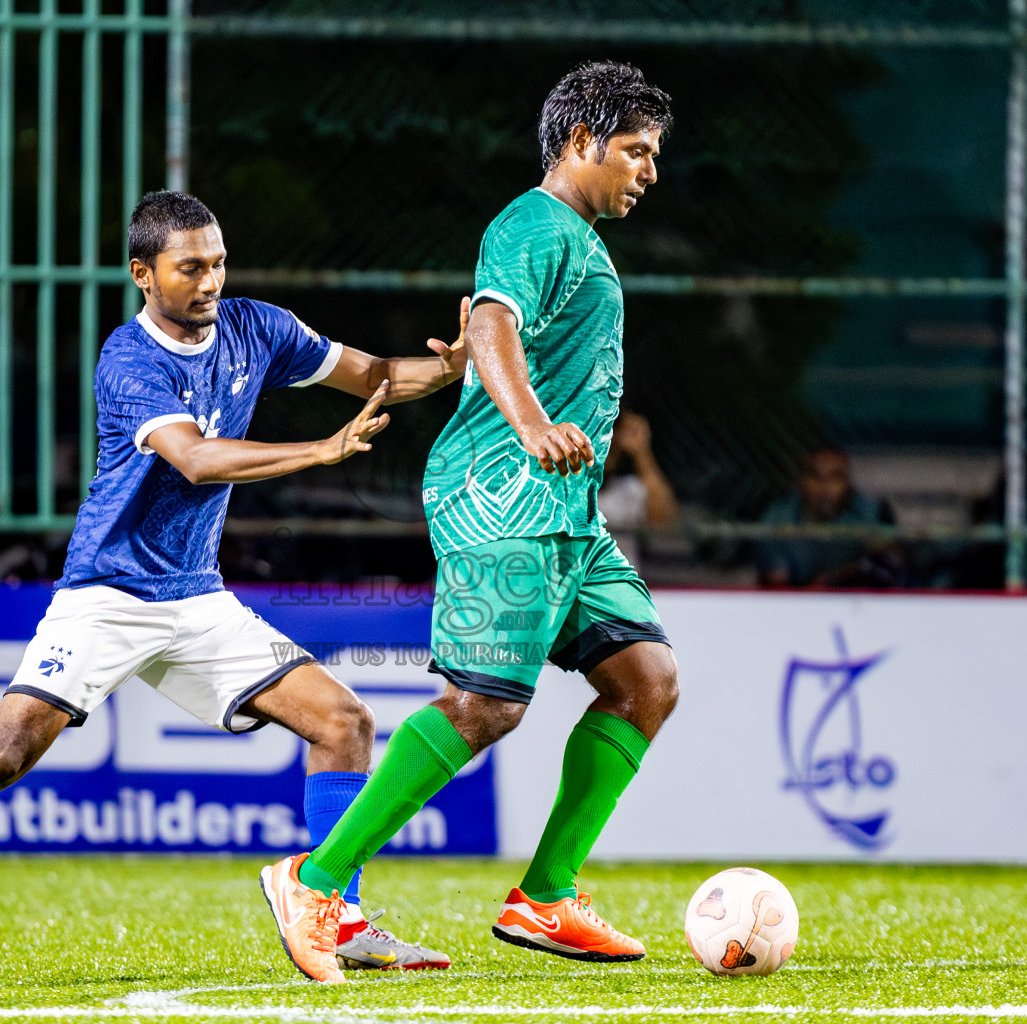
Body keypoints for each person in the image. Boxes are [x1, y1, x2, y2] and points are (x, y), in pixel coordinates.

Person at [0, 190, 469, 977]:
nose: (210, 280)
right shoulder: (127, 361)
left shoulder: (254, 328)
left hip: (197, 597)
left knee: (344, 723)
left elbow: (376, 374)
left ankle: (335, 913)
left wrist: (460, 365)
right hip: (108, 594)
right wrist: (318, 451)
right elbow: (197, 458)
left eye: (219, 263)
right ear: (144, 273)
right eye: (191, 267)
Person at [259, 61, 678, 984]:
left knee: (646, 680)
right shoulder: (533, 223)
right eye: (635, 152)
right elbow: (491, 324)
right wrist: (530, 425)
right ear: (580, 143)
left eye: (653, 155)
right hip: (504, 497)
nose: (648, 172)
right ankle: (316, 878)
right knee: (490, 704)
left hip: (567, 515)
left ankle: (546, 896)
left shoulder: (577, 238)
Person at [757, 445, 894, 588]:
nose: (825, 487)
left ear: (848, 482)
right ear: (801, 481)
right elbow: (775, 585)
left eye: (835, 477)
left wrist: (832, 580)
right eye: (815, 476)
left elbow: (888, 564)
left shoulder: (871, 510)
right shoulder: (779, 516)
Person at [597, 409, 678, 570]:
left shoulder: (628, 489)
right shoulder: (562, 489)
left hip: (619, 587)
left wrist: (642, 452)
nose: (606, 445)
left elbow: (663, 517)